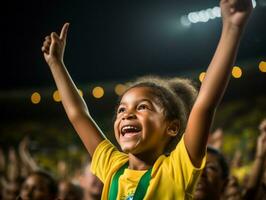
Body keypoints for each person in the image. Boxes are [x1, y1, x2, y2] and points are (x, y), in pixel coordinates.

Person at [41, 0, 253, 199]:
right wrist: (56, 64)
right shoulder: (113, 167)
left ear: (172, 127)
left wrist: (232, 28)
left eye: (143, 107)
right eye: (121, 110)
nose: (127, 114)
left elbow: (205, 105)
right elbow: (78, 115)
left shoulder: (176, 170)